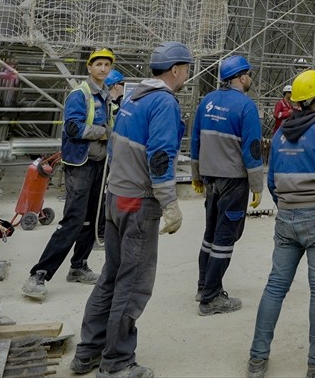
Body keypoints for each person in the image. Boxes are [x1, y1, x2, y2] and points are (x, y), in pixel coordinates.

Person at [69, 41, 190, 378]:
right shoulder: (163, 103)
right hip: (138, 201)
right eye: (187, 68)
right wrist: (170, 203)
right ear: (177, 69)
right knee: (133, 282)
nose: (188, 74)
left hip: (116, 197)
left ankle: (89, 352)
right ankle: (117, 362)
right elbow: (161, 156)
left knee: (111, 275)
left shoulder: (135, 98)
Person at [247, 69, 315, 378]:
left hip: (286, 219)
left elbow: (272, 181)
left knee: (275, 287)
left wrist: (289, 204)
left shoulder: (282, 133)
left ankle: (257, 360)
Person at [22, 48, 115, 301]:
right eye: (99, 64)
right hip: (80, 164)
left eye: (107, 65)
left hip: (99, 163)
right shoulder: (80, 94)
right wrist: (103, 132)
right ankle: (39, 274)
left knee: (91, 218)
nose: (103, 69)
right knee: (73, 220)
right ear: (89, 67)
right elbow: (73, 128)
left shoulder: (106, 95)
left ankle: (78, 266)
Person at [191, 53, 264, 315]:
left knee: (210, 234)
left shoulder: (207, 102)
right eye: (249, 74)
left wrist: (196, 174)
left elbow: (195, 140)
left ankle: (203, 286)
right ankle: (210, 299)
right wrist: (257, 185)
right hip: (234, 180)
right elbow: (252, 150)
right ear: (242, 77)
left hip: (211, 179)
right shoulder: (246, 107)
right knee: (225, 237)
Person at [95, 69, 128, 249]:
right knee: (103, 195)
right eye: (122, 85)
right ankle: (100, 230)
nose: (124, 88)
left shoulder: (115, 104)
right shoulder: (110, 107)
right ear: (115, 86)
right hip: (108, 155)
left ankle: (102, 229)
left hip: (111, 154)